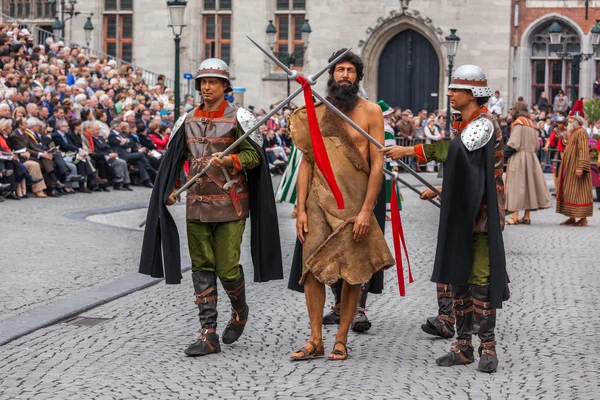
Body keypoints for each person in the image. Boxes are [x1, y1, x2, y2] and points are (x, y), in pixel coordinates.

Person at [139, 58, 283, 357]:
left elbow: (256, 158)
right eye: (203, 82)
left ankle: (240, 311)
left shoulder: (240, 118)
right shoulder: (187, 120)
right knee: (202, 267)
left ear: (225, 86)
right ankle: (208, 333)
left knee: (227, 267)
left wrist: (231, 160)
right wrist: (171, 188)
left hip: (230, 206)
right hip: (197, 205)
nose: (207, 87)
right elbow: (175, 159)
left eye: (213, 82)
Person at [382, 65, 509, 373]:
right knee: (458, 280)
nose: (449, 93)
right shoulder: (461, 123)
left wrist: (408, 150)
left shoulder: (484, 124)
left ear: (473, 94)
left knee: (480, 281)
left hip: (480, 214)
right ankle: (462, 347)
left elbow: (454, 152)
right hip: (460, 210)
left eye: (455, 89)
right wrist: (441, 190)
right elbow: (464, 168)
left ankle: (487, 348)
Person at [289, 49, 394, 361]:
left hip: (355, 203)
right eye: (339, 70)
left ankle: (341, 338)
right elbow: (306, 162)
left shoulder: (372, 112)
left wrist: (367, 210)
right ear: (331, 75)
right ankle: (315, 338)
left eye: (350, 70)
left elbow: (377, 164)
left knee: (353, 273)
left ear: (357, 76)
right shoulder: (318, 111)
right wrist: (301, 208)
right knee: (311, 270)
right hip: (318, 200)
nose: (345, 75)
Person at [504, 101, 552, 225]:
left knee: (516, 187)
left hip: (519, 157)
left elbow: (514, 143)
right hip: (531, 157)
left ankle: (514, 216)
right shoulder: (532, 124)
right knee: (528, 187)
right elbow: (537, 145)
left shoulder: (518, 123)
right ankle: (526, 215)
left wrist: (504, 155)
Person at [555, 114, 593, 226]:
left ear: (577, 122)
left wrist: (581, 167)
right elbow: (570, 147)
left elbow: (583, 150)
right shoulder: (573, 132)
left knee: (580, 192)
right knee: (570, 193)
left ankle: (583, 219)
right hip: (570, 167)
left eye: (571, 121)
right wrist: (565, 140)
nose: (569, 123)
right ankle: (572, 217)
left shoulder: (581, 132)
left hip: (577, 166)